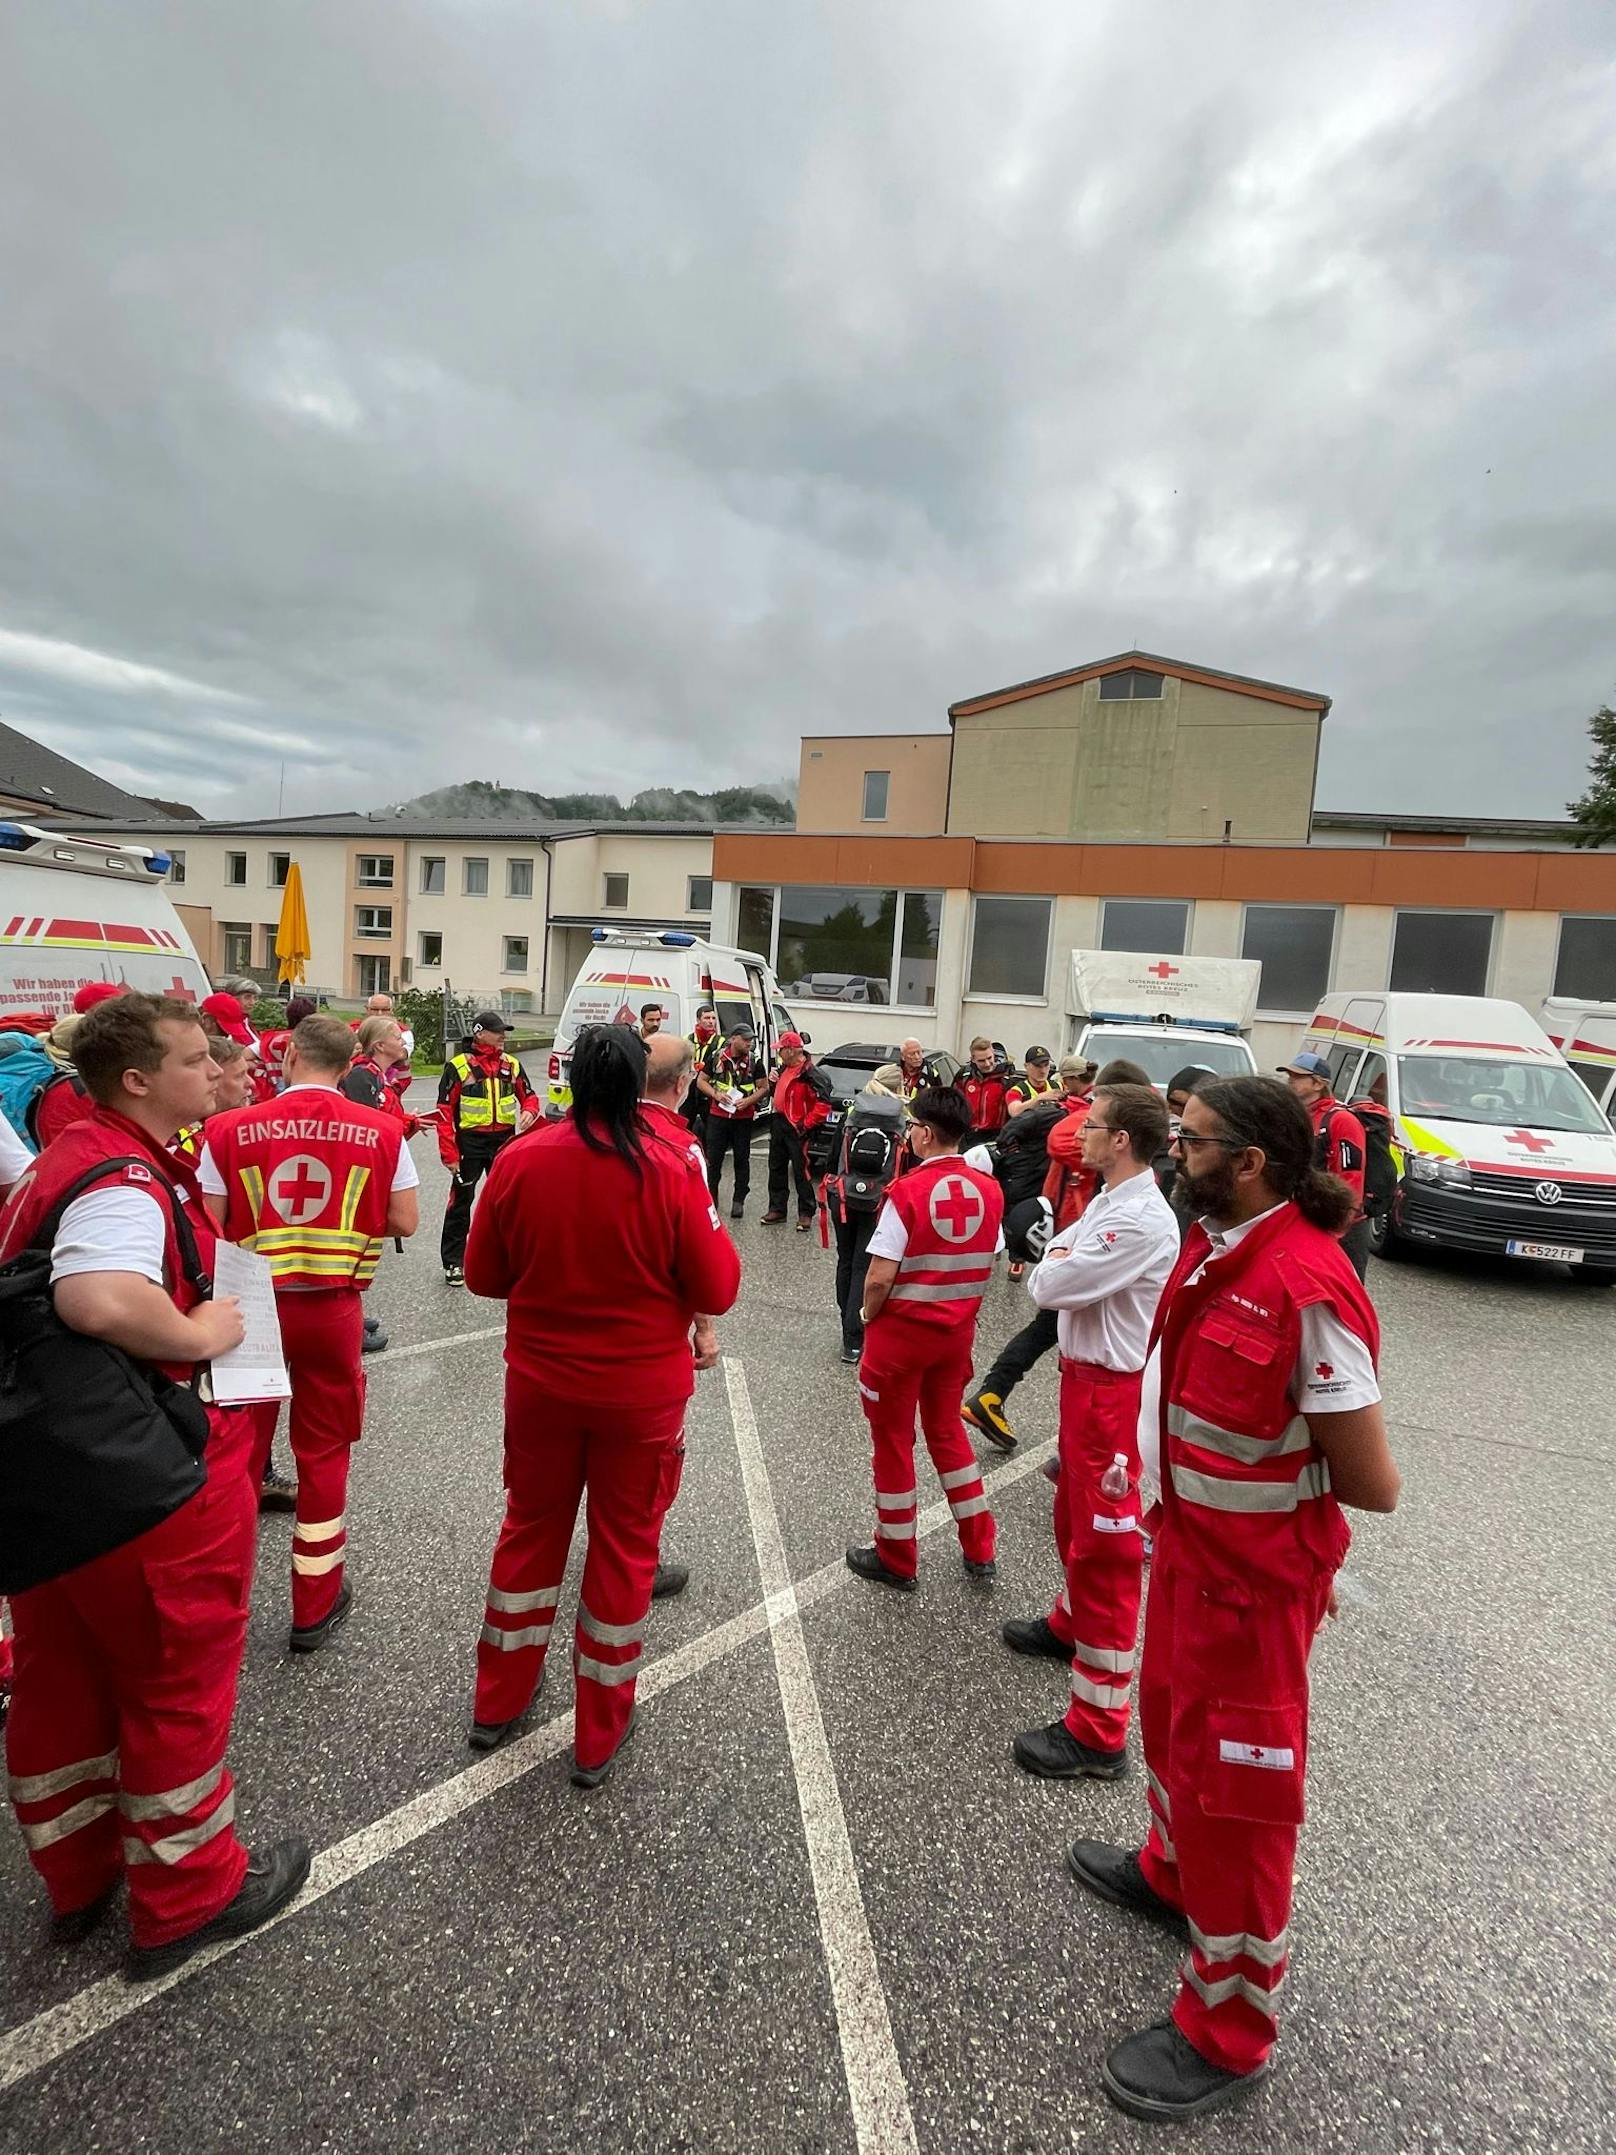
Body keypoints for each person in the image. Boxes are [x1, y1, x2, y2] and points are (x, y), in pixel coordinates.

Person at [1068, 1076, 1398, 2123]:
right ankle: (1170, 1876)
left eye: (1191, 1140)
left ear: (1246, 1161)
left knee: (1241, 1807)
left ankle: (1228, 2026)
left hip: (1249, 1596)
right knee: (1167, 1737)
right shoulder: (1221, 1249)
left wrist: (1299, 1555)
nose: (1173, 1153)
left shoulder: (1305, 1285)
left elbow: (1368, 1479)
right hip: (1191, 1563)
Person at [0, 992, 309, 1976]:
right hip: (139, 1476)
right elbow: (95, 1294)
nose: (216, 1071)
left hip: (53, 1470)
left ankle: (80, 1873)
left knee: (62, 1670)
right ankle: (189, 1890)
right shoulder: (124, 1177)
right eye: (193, 1060)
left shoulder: (64, 1151)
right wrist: (201, 1332)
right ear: (137, 1079)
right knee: (176, 1680)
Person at [464, 1026, 740, 1785]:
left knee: (528, 1531)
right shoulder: (671, 1164)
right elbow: (716, 1287)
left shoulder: (521, 1157)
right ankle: (598, 1731)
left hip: (542, 1386)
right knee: (623, 1549)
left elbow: (485, 1274)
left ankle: (498, 1700)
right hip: (640, 1397)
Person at [199, 1014, 419, 1652]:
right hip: (332, 1309)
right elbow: (404, 1220)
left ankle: (222, 1604)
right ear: (351, 1062)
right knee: (323, 1453)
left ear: (289, 1054)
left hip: (248, 1307)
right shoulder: (382, 1129)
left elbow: (207, 1227)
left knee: (239, 1454)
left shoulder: (226, 1127)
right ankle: (313, 1605)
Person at [1003, 1085, 1179, 1779]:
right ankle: (1069, 1623)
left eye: (1094, 1126)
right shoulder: (1111, 1198)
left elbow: (1049, 1283)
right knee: (1073, 1516)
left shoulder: (1138, 1219)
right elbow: (1061, 1257)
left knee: (1107, 1550)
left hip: (1113, 1392)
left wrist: (1052, 1261)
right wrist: (1056, 1260)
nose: (1080, 1135)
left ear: (1124, 1140)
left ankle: (1099, 1728)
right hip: (1086, 1383)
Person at [845, 1086, 1004, 1591]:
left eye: (912, 1126)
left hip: (901, 1339)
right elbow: (989, 1257)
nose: (908, 1134)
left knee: (893, 1442)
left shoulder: (907, 1192)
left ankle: (897, 1555)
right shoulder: (990, 1190)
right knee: (948, 1435)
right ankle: (980, 1546)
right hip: (955, 1337)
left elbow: (878, 1277)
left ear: (927, 1134)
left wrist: (869, 1316)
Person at [963, 1058, 1138, 1449]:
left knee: (1056, 1330)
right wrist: (1090, 1124)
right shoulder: (1078, 1121)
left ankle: (996, 1397)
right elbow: (1060, 1138)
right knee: (1066, 1331)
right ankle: (1001, 1400)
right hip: (1078, 1237)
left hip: (1095, 1235)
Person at [340, 1014, 426, 1356]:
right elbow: (365, 1131)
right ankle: (348, 1325)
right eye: (395, 1034)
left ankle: (353, 1316)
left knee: (363, 1252)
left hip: (376, 1171)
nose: (402, 1039)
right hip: (362, 1175)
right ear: (379, 1045)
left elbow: (386, 1124)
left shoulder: (378, 1076)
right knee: (353, 1249)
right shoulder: (363, 1077)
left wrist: (410, 1122)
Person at [437, 1010, 537, 1285]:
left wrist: (529, 1110)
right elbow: (444, 1112)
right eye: (498, 1031)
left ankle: (511, 1258)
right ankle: (453, 1263)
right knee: (461, 1202)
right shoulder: (458, 1066)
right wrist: (449, 1153)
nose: (503, 1036)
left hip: (505, 1142)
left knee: (509, 1202)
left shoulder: (512, 1065)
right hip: (470, 1143)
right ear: (480, 1033)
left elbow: (528, 1096)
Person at [828, 1064, 908, 1364]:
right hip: (879, 1201)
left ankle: (845, 1317)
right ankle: (854, 1337)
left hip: (844, 1197)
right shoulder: (899, 1120)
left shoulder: (853, 1115)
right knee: (864, 1264)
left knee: (845, 1260)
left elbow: (833, 1157)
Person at [1279, 1051, 1371, 1282]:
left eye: (1298, 1077)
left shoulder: (1342, 1120)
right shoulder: (1298, 1116)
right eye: (1289, 1075)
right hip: (1306, 1218)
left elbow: (1351, 1178)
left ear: (1318, 1083)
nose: (1290, 1081)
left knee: (1341, 1290)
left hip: (1340, 1226)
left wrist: (1336, 1228)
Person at [699, 1022, 770, 1218]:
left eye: (751, 1040)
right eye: (745, 1039)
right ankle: (711, 1197)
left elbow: (764, 1088)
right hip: (718, 1116)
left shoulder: (755, 1062)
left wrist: (748, 1101)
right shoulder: (716, 1057)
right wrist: (716, 1095)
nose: (749, 1043)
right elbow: (700, 1081)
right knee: (713, 1159)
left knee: (741, 1159)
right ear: (733, 1039)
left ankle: (739, 1199)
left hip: (743, 1118)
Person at [762, 1032, 831, 1230]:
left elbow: (823, 1105)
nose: (779, 1053)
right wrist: (773, 1081)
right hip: (779, 1121)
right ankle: (777, 1209)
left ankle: (806, 1212)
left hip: (798, 1127)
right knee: (776, 1167)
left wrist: (804, 1125)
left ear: (791, 1050)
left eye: (781, 1049)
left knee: (802, 1172)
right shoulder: (785, 1067)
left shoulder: (811, 1074)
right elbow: (781, 1092)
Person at [957, 1037, 1012, 1145]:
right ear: (972, 1059)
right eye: (981, 1061)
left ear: (993, 1054)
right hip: (969, 1137)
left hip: (997, 1137)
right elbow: (954, 1106)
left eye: (989, 1058)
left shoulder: (1007, 1078)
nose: (987, 1064)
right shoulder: (964, 1077)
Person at [683, 1006, 720, 1136]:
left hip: (708, 1091)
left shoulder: (721, 1041)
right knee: (684, 1127)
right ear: (698, 1020)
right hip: (689, 1091)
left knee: (711, 1132)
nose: (711, 1021)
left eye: (713, 1018)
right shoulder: (687, 1039)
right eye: (707, 1018)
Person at [1006, 1046, 1056, 1117]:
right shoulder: (1017, 1091)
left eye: (1046, 1065)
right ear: (1026, 1066)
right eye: (1038, 1066)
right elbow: (1014, 1112)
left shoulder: (1058, 1086)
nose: (1043, 1071)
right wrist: (1038, 1099)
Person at [896, 1037, 944, 1102]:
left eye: (919, 1052)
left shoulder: (931, 1073)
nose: (917, 1057)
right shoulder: (894, 1072)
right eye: (912, 1054)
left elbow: (939, 1100)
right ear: (903, 1057)